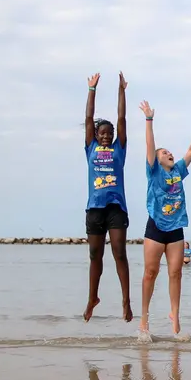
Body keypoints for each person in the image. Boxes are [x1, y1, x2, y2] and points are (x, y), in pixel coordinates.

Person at [138, 100, 191, 336]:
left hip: (176, 228)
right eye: (164, 153)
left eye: (169, 152)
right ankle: (144, 317)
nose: (169, 154)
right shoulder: (154, 170)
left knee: (175, 273)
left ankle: (175, 318)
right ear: (157, 159)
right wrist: (149, 120)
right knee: (150, 272)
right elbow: (151, 147)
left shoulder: (178, 170)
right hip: (156, 227)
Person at [83, 71, 132, 323]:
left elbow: (121, 118)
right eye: (101, 133)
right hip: (94, 208)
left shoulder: (118, 150)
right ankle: (93, 297)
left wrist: (121, 90)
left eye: (108, 133)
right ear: (95, 134)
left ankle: (126, 301)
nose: (105, 136)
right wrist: (92, 90)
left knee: (119, 252)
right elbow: (89, 116)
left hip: (115, 208)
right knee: (94, 255)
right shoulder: (90, 147)